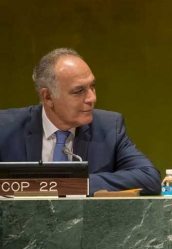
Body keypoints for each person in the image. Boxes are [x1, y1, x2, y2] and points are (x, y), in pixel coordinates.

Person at [0, 48, 161, 195]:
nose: (92, 98)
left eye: (92, 87)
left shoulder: (109, 127)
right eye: (79, 91)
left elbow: (149, 178)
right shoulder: (6, 127)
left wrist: (74, 184)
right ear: (48, 97)